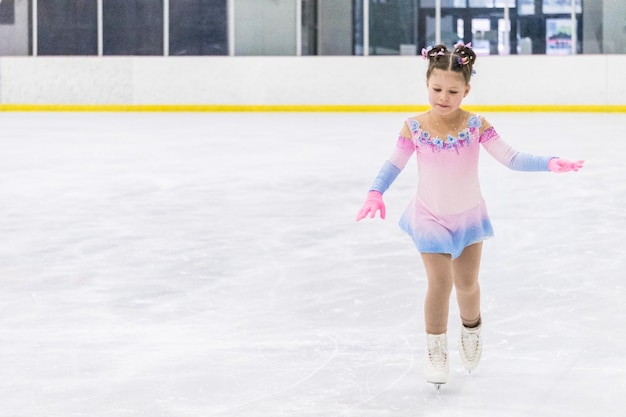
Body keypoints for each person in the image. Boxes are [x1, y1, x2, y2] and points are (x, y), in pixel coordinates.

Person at [355, 42, 584, 389]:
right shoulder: (414, 127)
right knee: (440, 282)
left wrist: (549, 163)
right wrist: (375, 191)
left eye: (452, 91)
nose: (443, 97)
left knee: (466, 284)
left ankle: (472, 327)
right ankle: (435, 350)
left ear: (466, 90)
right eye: (436, 89)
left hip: (468, 217)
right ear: (427, 84)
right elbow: (393, 164)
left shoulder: (476, 124)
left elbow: (511, 157)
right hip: (429, 216)